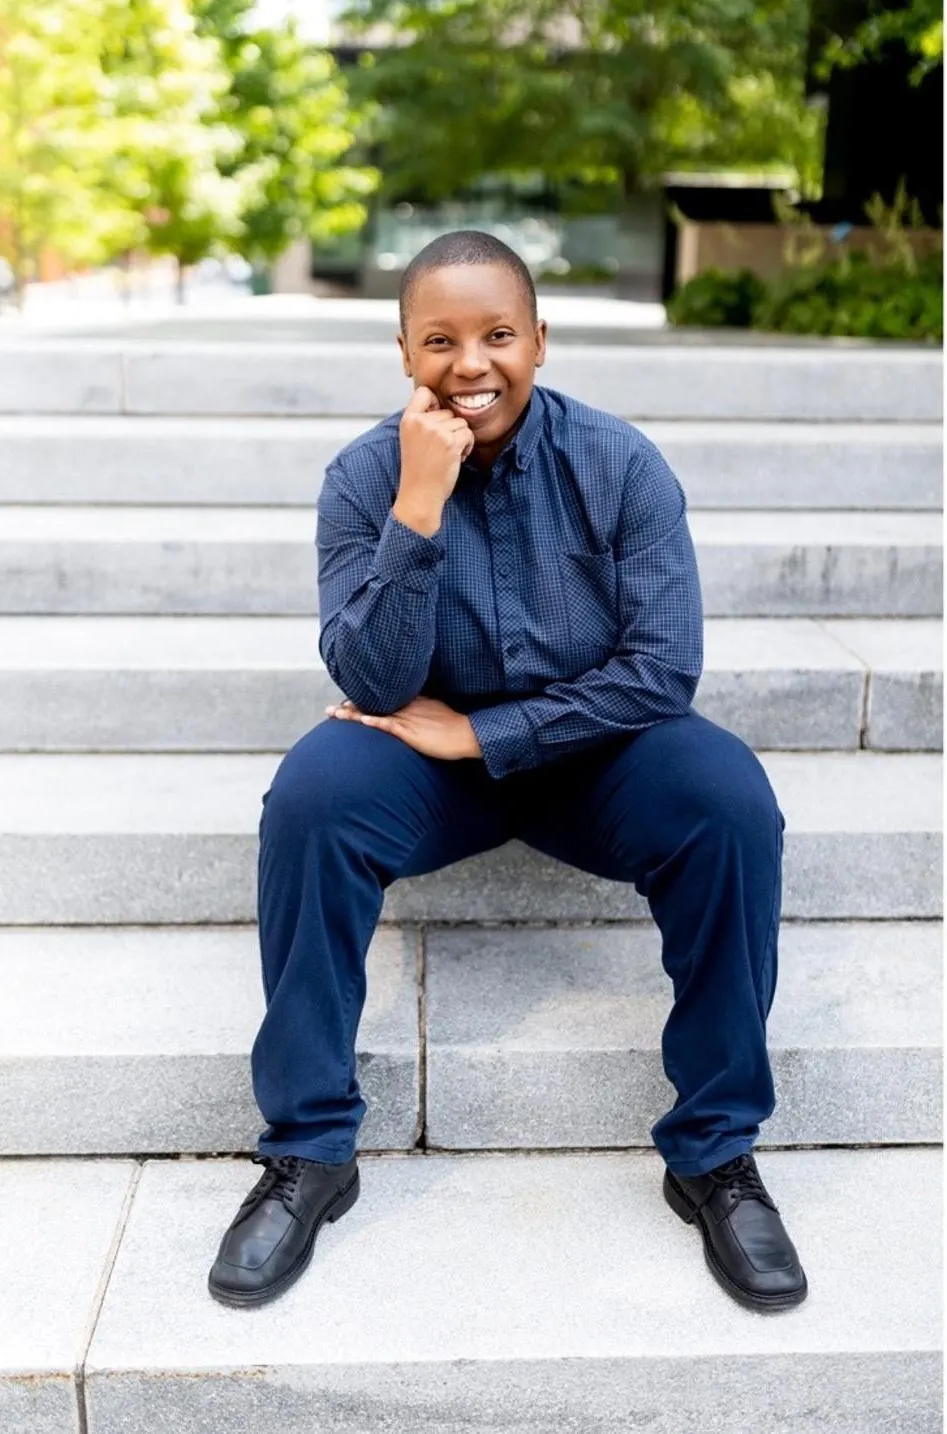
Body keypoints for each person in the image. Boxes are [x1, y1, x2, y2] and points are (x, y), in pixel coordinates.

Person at [208, 229, 808, 1315]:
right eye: (439, 340)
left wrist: (489, 735)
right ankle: (308, 1152)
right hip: (425, 773)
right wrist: (418, 504)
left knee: (725, 799)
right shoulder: (361, 479)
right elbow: (367, 675)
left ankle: (712, 1152)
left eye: (496, 334)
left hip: (593, 758)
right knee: (310, 796)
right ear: (402, 351)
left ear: (540, 338)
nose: (469, 363)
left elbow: (662, 672)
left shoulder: (619, 465)